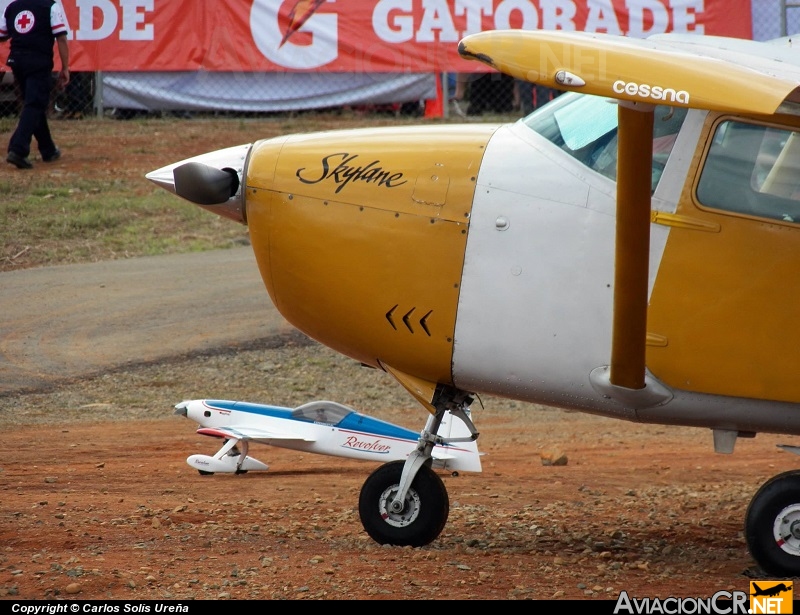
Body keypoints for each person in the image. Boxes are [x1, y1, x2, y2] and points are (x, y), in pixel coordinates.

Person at [0, 0, 69, 169]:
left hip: (17, 62)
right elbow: (61, 37)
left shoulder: (12, 7)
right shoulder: (50, 6)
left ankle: (48, 149)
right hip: (38, 63)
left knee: (34, 104)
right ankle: (18, 148)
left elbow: (2, 35)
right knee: (35, 104)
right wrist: (66, 68)